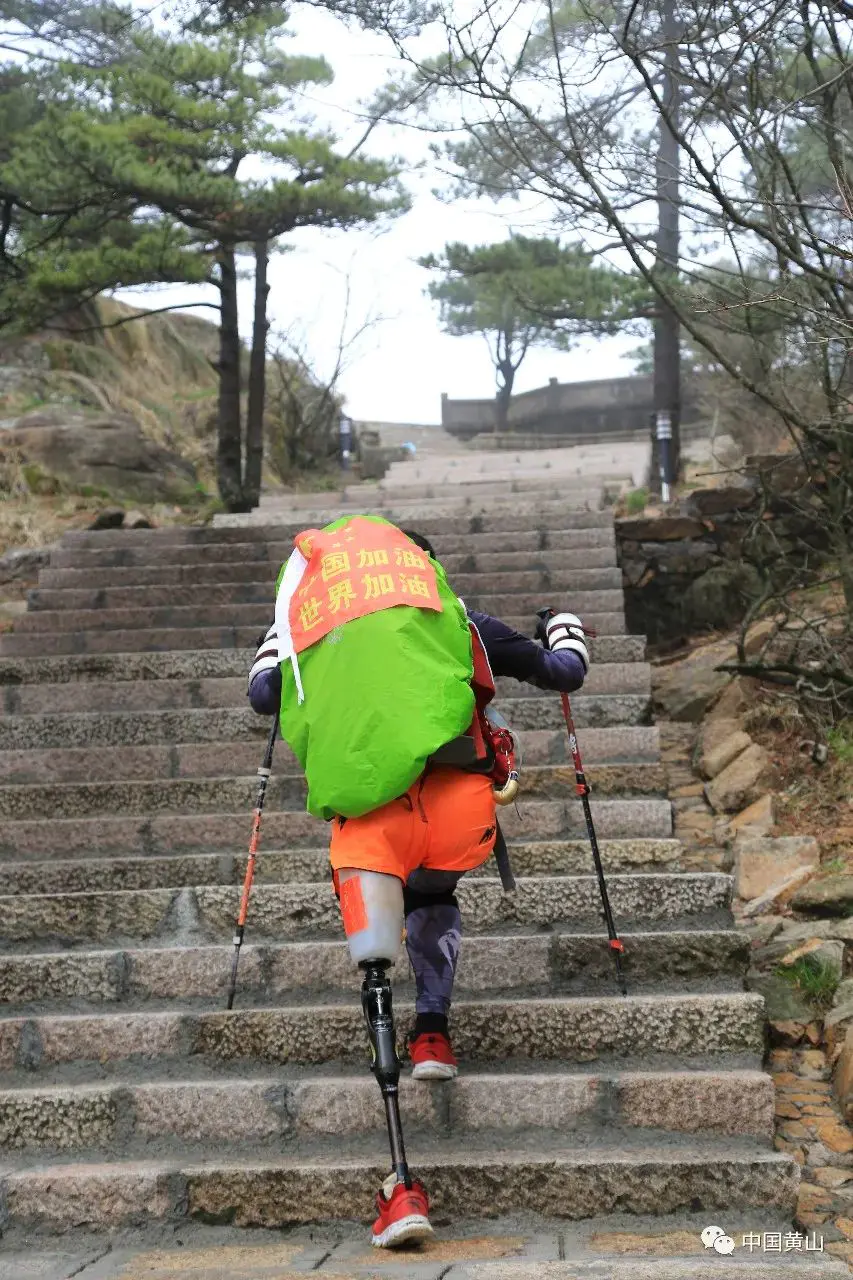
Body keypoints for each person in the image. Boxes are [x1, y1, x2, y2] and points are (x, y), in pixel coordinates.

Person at [247, 526, 589, 1248]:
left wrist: (272, 644)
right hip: (458, 815)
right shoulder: (456, 618)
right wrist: (566, 629)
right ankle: (432, 1030)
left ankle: (401, 1185)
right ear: (421, 568)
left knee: (373, 967)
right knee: (433, 895)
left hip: (369, 831)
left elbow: (263, 697)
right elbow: (563, 673)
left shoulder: (314, 628)